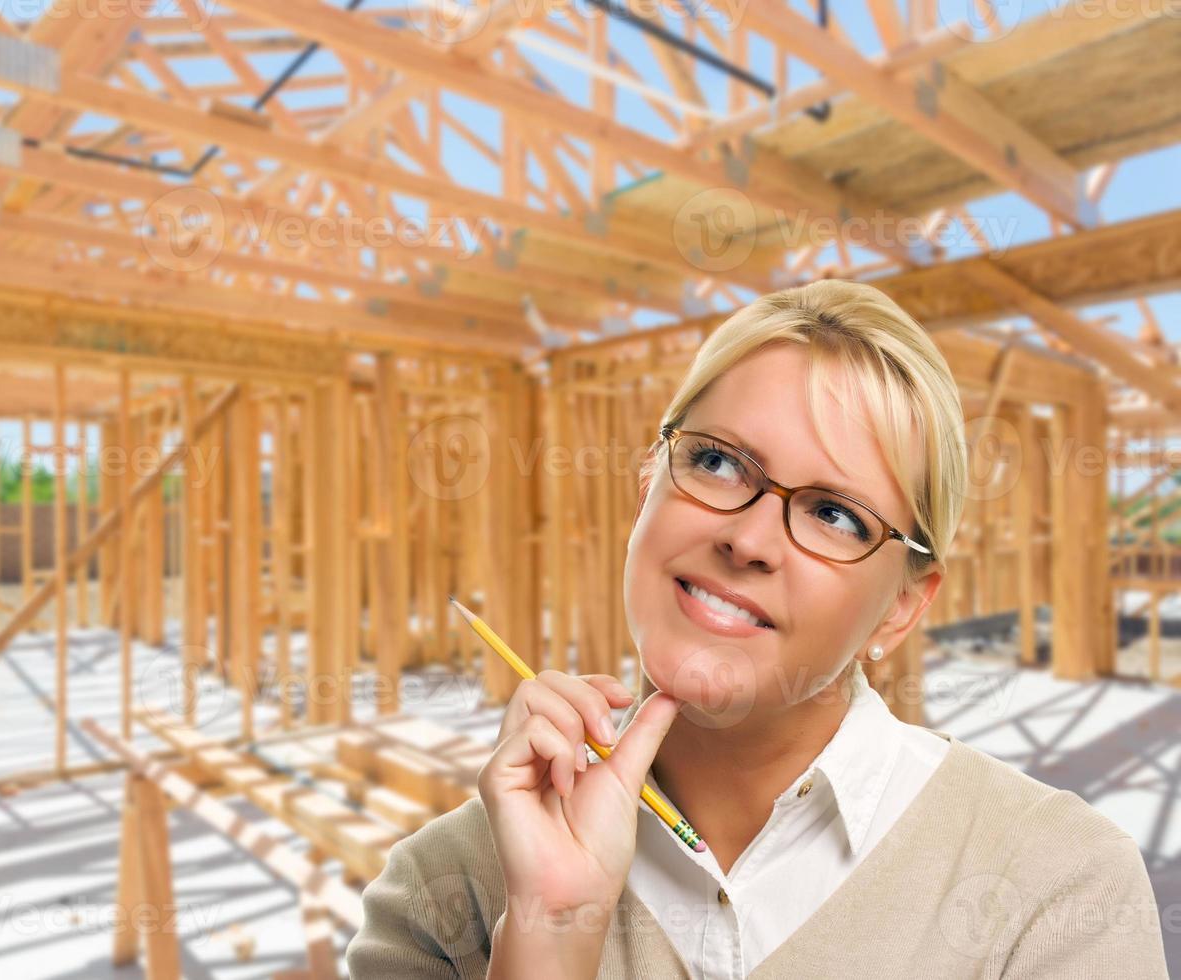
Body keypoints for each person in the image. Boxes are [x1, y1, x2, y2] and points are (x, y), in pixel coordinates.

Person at [345, 280, 1167, 978]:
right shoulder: (444, 891)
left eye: (836, 514)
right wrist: (550, 937)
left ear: (903, 607)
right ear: (647, 491)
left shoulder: (1059, 887)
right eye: (717, 463)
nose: (747, 538)